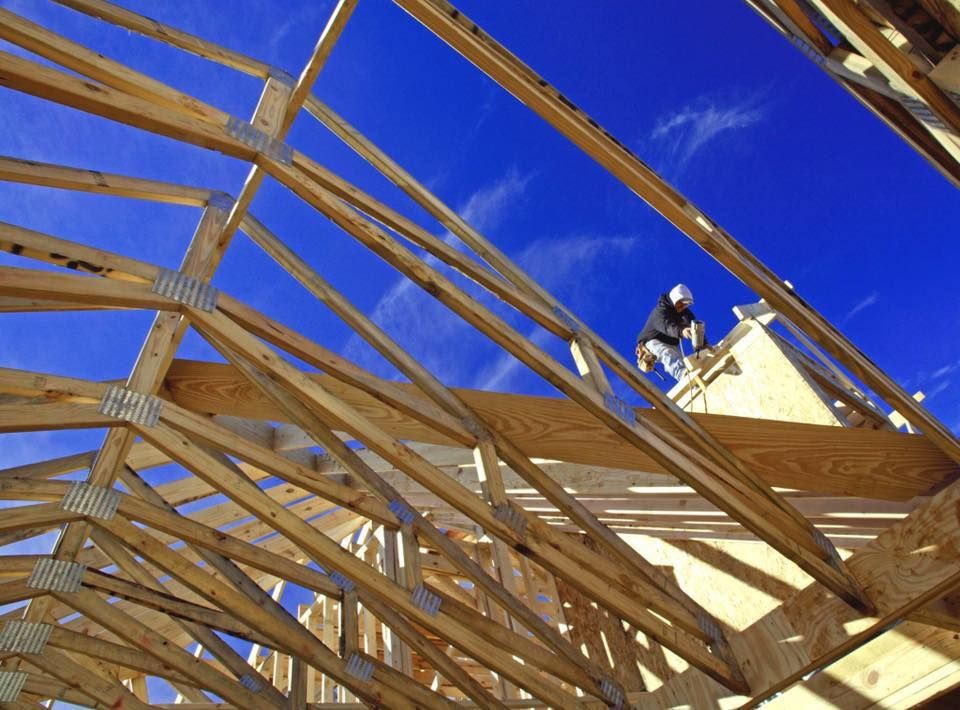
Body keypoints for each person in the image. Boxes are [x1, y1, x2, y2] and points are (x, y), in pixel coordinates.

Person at [636, 283, 706, 382]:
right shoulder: (660, 312)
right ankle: (683, 375)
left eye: (685, 305)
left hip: (670, 342)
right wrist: (681, 331)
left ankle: (691, 378)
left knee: (682, 361)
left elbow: (695, 327)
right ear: (674, 300)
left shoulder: (684, 312)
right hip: (651, 341)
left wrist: (704, 343)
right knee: (667, 353)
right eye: (680, 304)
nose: (682, 307)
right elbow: (667, 326)